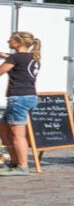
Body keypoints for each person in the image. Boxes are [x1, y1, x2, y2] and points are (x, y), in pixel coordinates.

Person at [0, 31, 42, 175]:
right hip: (29, 96)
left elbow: (1, 70)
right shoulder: (32, 57)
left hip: (18, 97)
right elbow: (17, 60)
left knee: (18, 134)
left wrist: (7, 58)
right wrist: (4, 55)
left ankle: (22, 166)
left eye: (11, 40)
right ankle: (14, 161)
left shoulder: (15, 57)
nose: (8, 42)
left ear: (18, 43)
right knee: (3, 127)